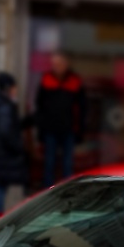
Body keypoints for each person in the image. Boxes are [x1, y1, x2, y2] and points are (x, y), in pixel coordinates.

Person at [35, 52, 85, 188]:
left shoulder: (75, 81)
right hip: (50, 129)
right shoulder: (46, 79)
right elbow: (40, 106)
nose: (56, 67)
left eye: (59, 64)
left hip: (68, 129)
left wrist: (79, 130)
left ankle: (67, 191)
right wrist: (41, 129)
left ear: (66, 64)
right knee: (49, 163)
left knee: (67, 164)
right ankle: (47, 192)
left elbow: (82, 108)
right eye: (54, 64)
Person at [0, 72, 29, 218]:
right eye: (14, 87)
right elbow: (6, 131)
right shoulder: (5, 107)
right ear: (7, 88)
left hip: (2, 152)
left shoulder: (2, 105)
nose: (16, 90)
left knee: (1, 186)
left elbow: (10, 127)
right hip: (5, 153)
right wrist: (18, 147)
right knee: (1, 187)